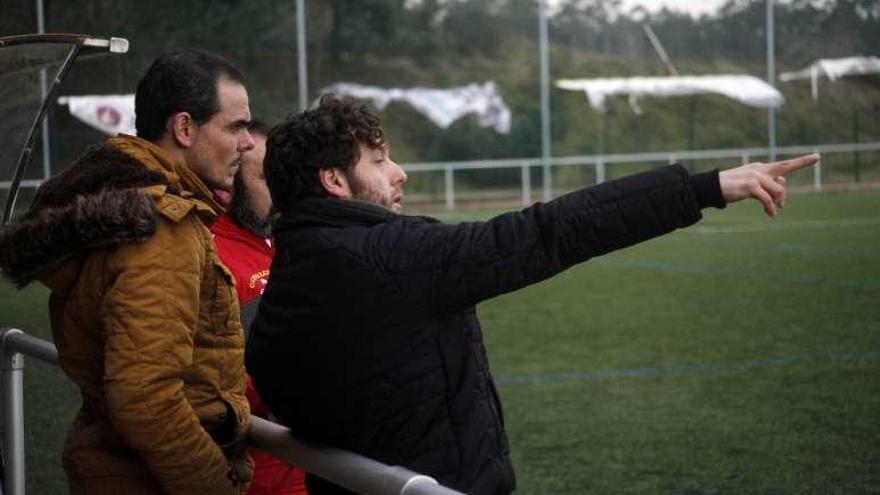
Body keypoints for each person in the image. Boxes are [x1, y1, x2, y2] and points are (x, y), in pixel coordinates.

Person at [245, 94, 819, 494]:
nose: (399, 173)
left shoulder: (281, 290)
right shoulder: (392, 259)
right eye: (378, 160)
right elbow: (550, 232)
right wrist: (707, 187)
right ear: (334, 181)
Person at [0, 49, 256, 494]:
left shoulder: (121, 201)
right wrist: (214, 486)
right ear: (184, 128)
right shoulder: (159, 228)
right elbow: (146, 398)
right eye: (235, 127)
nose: (248, 143)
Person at [211, 120, 308, 495]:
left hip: (308, 466)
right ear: (226, 188)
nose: (284, 192)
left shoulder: (289, 237)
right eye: (268, 179)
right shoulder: (208, 254)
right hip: (256, 476)